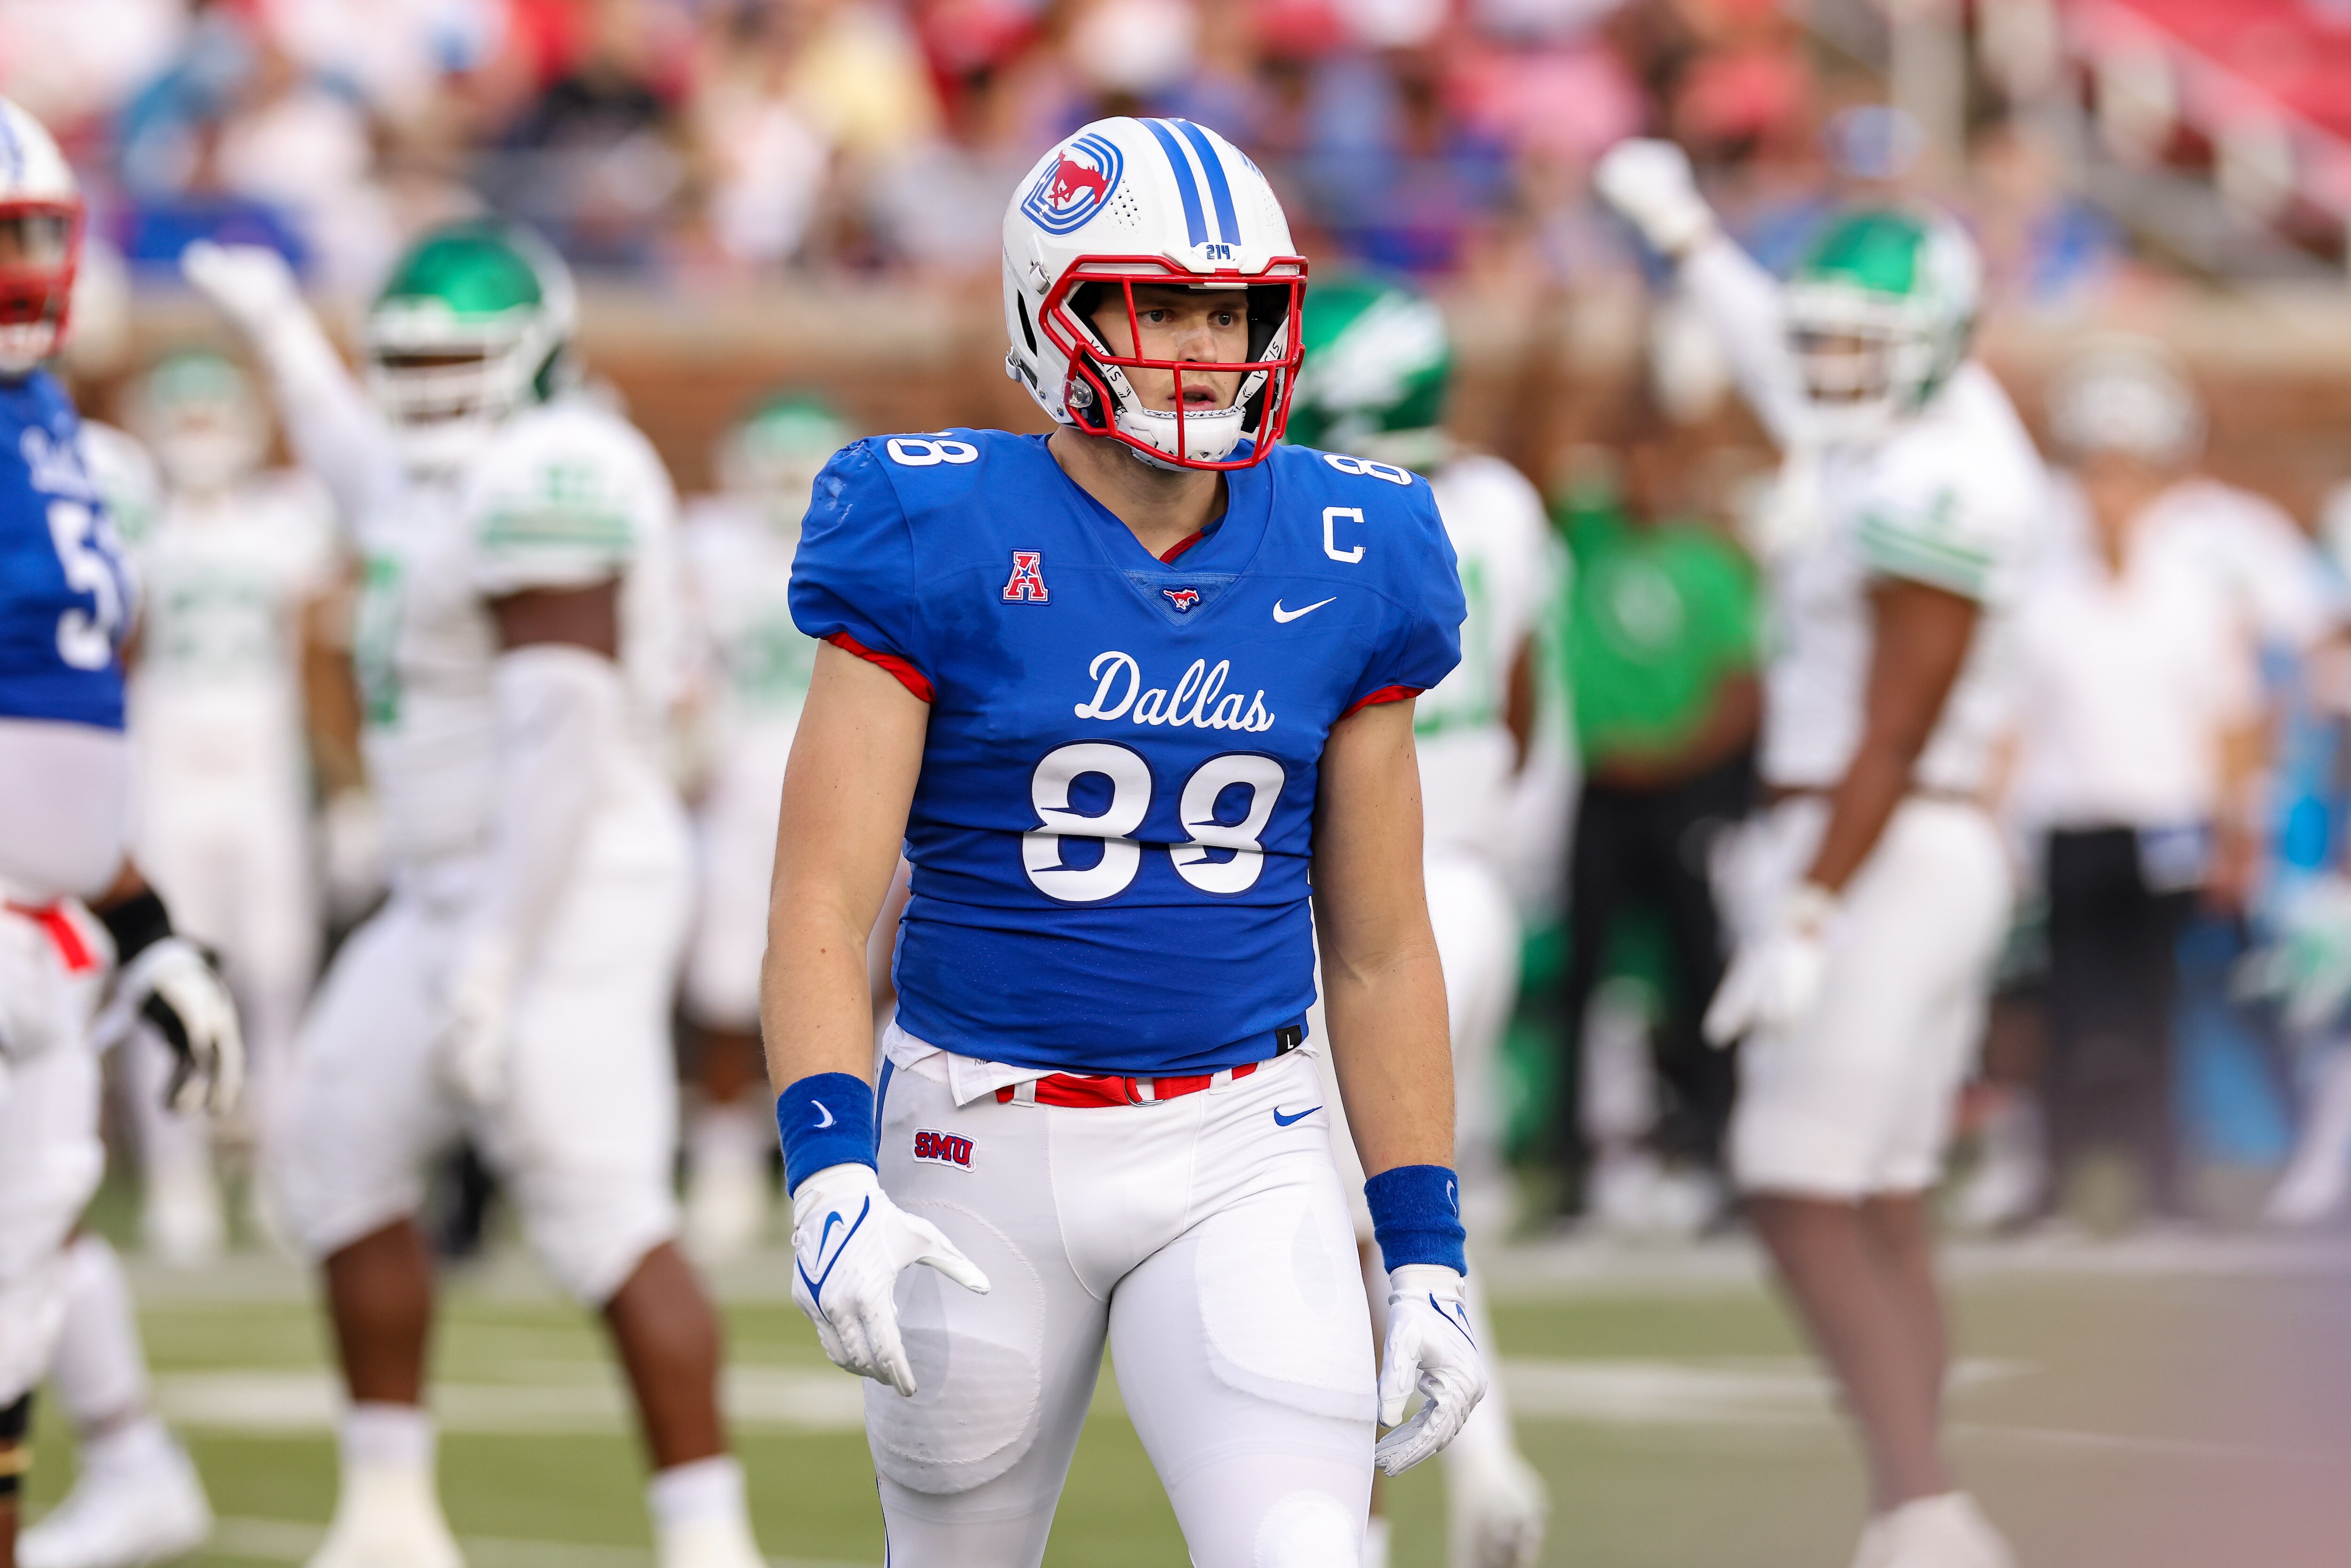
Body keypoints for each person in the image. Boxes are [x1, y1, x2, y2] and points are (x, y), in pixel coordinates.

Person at [764, 117, 1487, 1568]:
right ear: (1058, 307)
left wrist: (1426, 1244)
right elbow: (822, 903)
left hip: (1242, 1138)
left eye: (1230, 311)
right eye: (1161, 304)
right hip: (975, 1135)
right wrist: (830, 1164)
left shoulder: (1357, 545)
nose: (1202, 347)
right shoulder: (929, 520)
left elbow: (1381, 942)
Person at [182, 225, 767, 1568]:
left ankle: (710, 1541)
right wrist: (280, 331)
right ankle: (390, 1519)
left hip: (570, 883)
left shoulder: (557, 469)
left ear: (537, 356)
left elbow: (561, 746)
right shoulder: (451, 477)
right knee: (334, 1145)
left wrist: (500, 960)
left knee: (600, 1207)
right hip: (449, 886)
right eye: (411, 367)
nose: (431, 391)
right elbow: (363, 472)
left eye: (459, 363)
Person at [1599, 138, 2041, 1568]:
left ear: (1932, 347)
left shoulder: (1948, 478)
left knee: (1794, 1182)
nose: (1830, 372)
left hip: (1883, 840)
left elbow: (1896, 728)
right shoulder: (1904, 416)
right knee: (1885, 1191)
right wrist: (1685, 231)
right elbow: (1770, 343)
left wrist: (1806, 911)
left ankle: (1918, 1501)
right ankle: (1926, 1507)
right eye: (1826, 346)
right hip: (1894, 839)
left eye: (1861, 347)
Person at [0, 93, 242, 1568]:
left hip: (50, 939)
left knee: (13, 1298)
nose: (31, 269)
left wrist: (149, 938)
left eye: (38, 235)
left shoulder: (54, 426)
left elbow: (71, 743)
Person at [1283, 270, 1551, 1568]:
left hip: (1378, 909)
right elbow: (1525, 701)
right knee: (1413, 1205)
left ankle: (1369, 1529)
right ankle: (1487, 1471)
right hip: (1479, 880)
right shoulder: (1501, 503)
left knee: (1347, 1235)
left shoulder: (1320, 510)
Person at [1980, 339, 2312, 1230]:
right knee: (2063, 1010)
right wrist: (1997, 825)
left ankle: (2166, 1179)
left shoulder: (2194, 588)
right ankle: (2053, 1179)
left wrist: (2239, 828)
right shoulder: (2043, 589)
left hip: (2165, 821)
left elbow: (2232, 719)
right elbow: (2014, 722)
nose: (2109, 497)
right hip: (2071, 821)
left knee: (2160, 1012)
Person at [113, 348, 341, 1264]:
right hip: (162, 775)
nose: (201, 438)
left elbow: (318, 663)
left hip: (262, 776)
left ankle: (279, 1176)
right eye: (186, 418)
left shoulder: (284, 523)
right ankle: (179, 1182)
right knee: (167, 979)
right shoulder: (138, 527)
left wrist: (345, 785)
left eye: (214, 417)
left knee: (278, 985)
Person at [1556, 375, 1762, 1233]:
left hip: (1677, 794)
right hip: (1601, 792)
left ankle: (1720, 1152)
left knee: (1697, 971)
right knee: (1581, 978)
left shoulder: (1710, 562)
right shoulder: (1589, 544)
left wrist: (1677, 756)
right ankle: (1572, 1172)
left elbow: (1741, 688)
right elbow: (1548, 447)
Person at [678, 392, 846, 1262]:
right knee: (720, 980)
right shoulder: (709, 546)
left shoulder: (871, 544)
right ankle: (722, 1156)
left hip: (850, 780)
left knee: (871, 967)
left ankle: (848, 1156)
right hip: (740, 783)